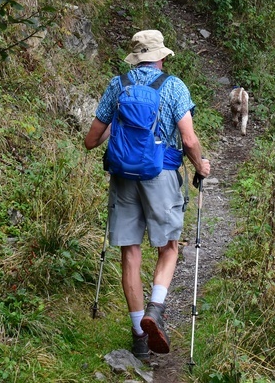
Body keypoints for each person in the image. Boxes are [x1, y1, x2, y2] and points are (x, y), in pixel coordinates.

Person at [84, 29, 211, 360]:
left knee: (130, 251)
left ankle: (140, 335)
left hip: (123, 177)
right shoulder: (173, 86)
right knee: (168, 247)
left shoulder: (118, 85)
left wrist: (119, 129)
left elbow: (91, 140)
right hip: (162, 174)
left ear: (135, 56)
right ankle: (156, 308)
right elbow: (188, 139)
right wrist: (201, 165)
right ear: (161, 57)